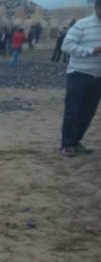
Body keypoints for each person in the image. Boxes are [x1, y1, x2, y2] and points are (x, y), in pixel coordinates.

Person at [59, 0, 101, 157]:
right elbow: (67, 46)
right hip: (79, 74)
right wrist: (91, 50)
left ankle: (76, 141)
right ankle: (67, 144)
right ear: (96, 7)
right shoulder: (82, 25)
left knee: (88, 111)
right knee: (73, 110)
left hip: (98, 76)